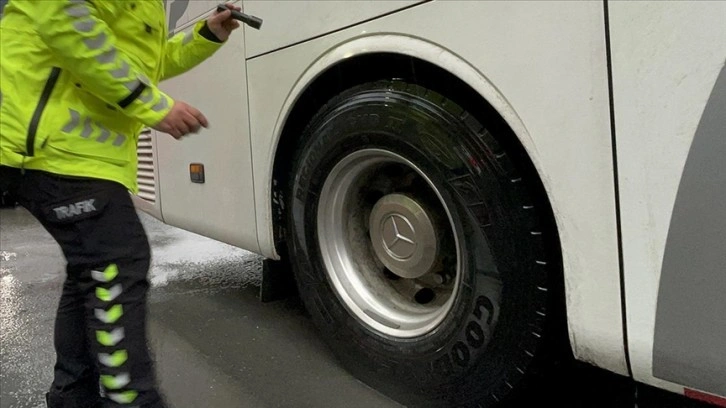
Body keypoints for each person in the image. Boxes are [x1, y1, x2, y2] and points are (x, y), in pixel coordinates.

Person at [0, 1, 242, 407]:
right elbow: (66, 21)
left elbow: (146, 61)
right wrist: (155, 107)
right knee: (119, 260)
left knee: (91, 271)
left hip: (74, 153)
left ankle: (72, 396)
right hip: (48, 146)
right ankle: (130, 400)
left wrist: (207, 35)